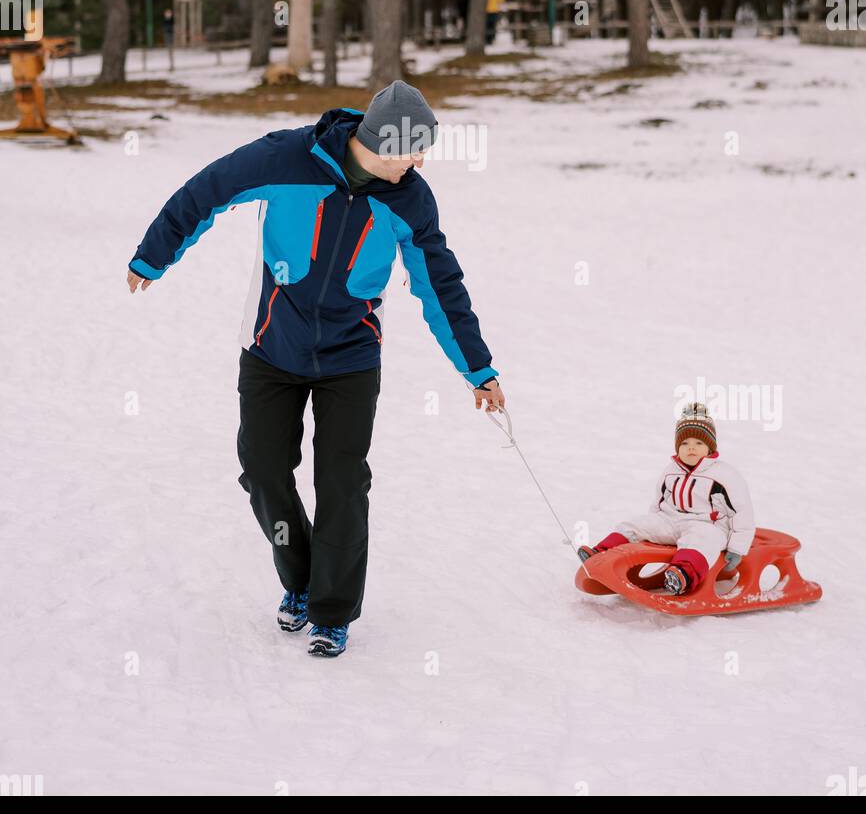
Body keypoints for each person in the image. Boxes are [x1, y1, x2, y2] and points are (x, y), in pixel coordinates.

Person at [127, 80, 504, 657]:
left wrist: (478, 369)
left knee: (343, 483)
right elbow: (206, 190)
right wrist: (155, 254)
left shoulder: (410, 199)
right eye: (414, 150)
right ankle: (300, 580)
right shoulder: (287, 157)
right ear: (379, 143)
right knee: (262, 470)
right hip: (271, 350)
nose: (421, 163)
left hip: (351, 361)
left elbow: (440, 284)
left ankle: (332, 610)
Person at [577, 403, 755, 597]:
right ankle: (599, 553)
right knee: (634, 524)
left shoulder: (724, 475)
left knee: (700, 541)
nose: (691, 449)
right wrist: (652, 526)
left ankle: (683, 575)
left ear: (709, 447)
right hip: (670, 521)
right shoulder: (670, 471)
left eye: (698, 443)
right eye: (685, 444)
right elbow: (658, 502)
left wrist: (737, 548)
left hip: (709, 526)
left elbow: (742, 512)